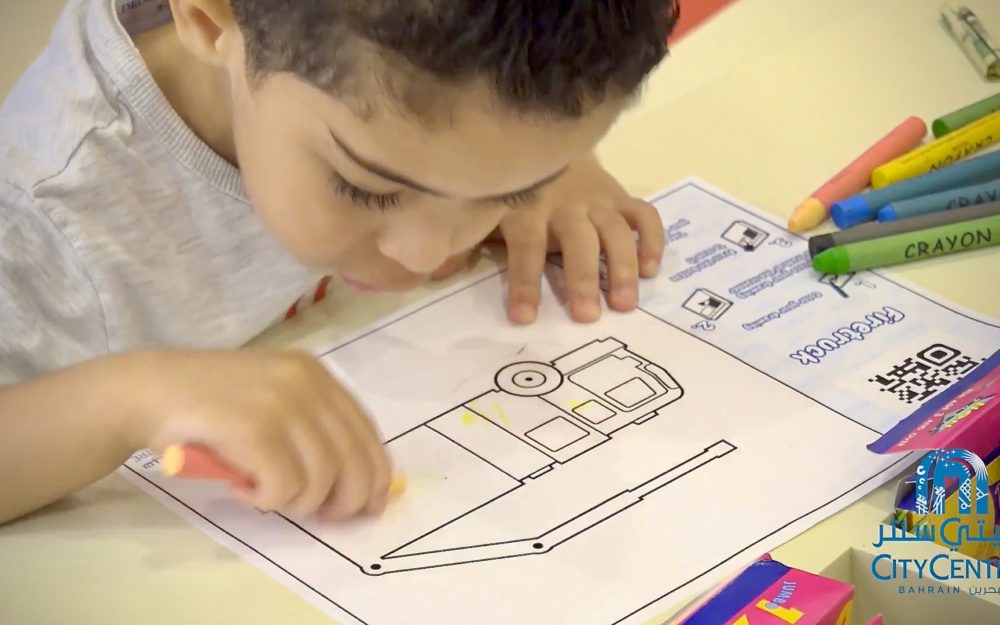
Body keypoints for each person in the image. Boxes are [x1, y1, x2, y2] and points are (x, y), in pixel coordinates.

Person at [0, 0, 680, 525]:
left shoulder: (379, 78)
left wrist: (533, 166)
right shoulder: (43, 221)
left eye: (508, 192)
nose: (430, 251)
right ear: (209, 22)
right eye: (368, 188)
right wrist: (130, 399)